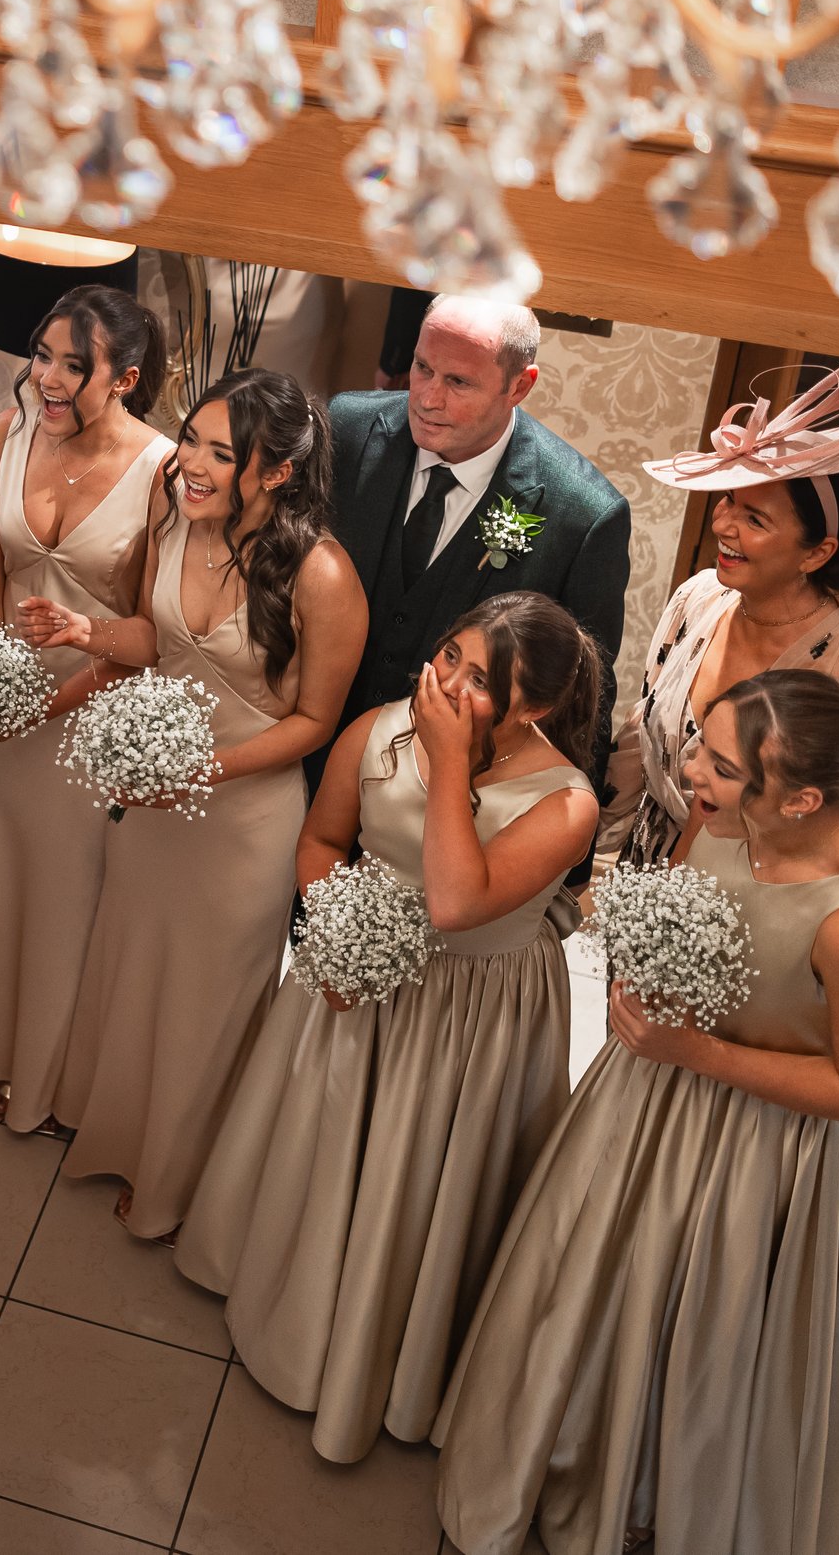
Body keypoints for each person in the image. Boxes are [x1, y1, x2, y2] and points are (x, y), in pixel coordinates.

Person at [434, 669, 839, 1554]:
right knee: (600, 1284)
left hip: (760, 1152)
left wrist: (701, 1053)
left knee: (703, 1331)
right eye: (701, 739)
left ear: (804, 797)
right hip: (649, 1094)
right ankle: (569, 1455)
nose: (692, 770)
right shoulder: (722, 818)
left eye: (722, 767)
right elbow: (678, 911)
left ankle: (657, 1496)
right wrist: (637, 973)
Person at [174, 593, 602, 1464]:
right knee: (328, 1147)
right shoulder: (376, 730)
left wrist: (449, 764)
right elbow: (325, 840)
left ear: (537, 708)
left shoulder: (567, 803)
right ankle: (292, 1310)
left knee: (420, 1181)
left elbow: (456, 901)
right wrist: (335, 938)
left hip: (470, 1018)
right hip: (351, 979)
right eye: (448, 654)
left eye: (480, 680)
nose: (444, 683)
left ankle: (393, 1362)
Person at [22, 366, 366, 1235]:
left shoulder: (324, 577)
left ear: (278, 470)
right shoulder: (176, 520)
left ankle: (179, 1178)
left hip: (242, 820)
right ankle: (115, 1131)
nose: (193, 467)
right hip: (151, 800)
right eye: (193, 444)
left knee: (206, 998)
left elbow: (316, 721)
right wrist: (83, 631)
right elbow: (154, 635)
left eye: (222, 454)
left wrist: (206, 772)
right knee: (136, 963)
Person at [0, 284, 179, 1132]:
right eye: (44, 357)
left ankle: (42, 1079)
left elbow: (151, 623)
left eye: (77, 365)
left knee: (66, 896)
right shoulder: (10, 429)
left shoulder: (162, 470)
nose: (51, 379)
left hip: (89, 709)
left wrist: (53, 703)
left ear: (125, 379)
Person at [608, 358, 839, 865]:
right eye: (728, 500)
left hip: (746, 897)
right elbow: (639, 726)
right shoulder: (699, 597)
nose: (724, 526)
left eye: (754, 518)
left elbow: (837, 842)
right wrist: (584, 857)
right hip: (646, 859)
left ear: (816, 552)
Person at [323, 296, 630, 819]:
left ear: (519, 386)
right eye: (423, 368)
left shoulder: (581, 515)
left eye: (458, 382)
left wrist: (570, 855)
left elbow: (584, 694)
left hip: (456, 802)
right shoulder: (346, 428)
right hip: (312, 759)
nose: (426, 398)